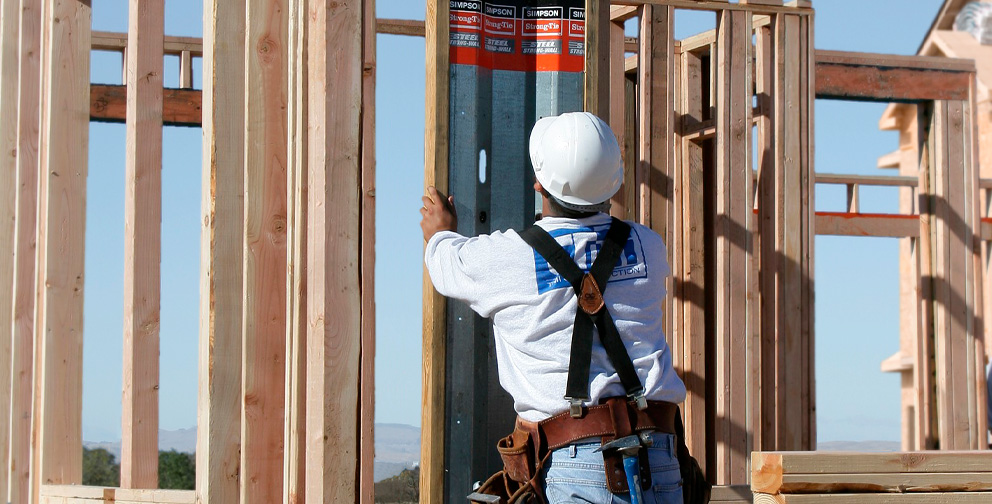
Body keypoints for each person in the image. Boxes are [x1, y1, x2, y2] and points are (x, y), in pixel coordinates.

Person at [421, 111, 688, 504]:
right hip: (659, 459)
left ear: (539, 185)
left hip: (577, 464)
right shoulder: (649, 247)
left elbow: (446, 265)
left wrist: (440, 231)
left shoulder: (510, 259)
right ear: (614, 184)